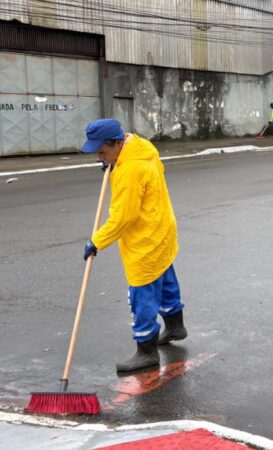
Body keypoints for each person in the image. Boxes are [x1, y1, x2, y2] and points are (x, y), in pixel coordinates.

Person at [81, 118, 188, 374]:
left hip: (144, 238)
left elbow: (123, 218)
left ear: (117, 143)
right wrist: (113, 163)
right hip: (161, 227)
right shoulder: (141, 148)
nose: (99, 158)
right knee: (165, 277)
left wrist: (97, 241)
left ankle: (146, 353)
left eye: (102, 152)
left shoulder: (130, 171)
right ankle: (175, 326)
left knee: (142, 295)